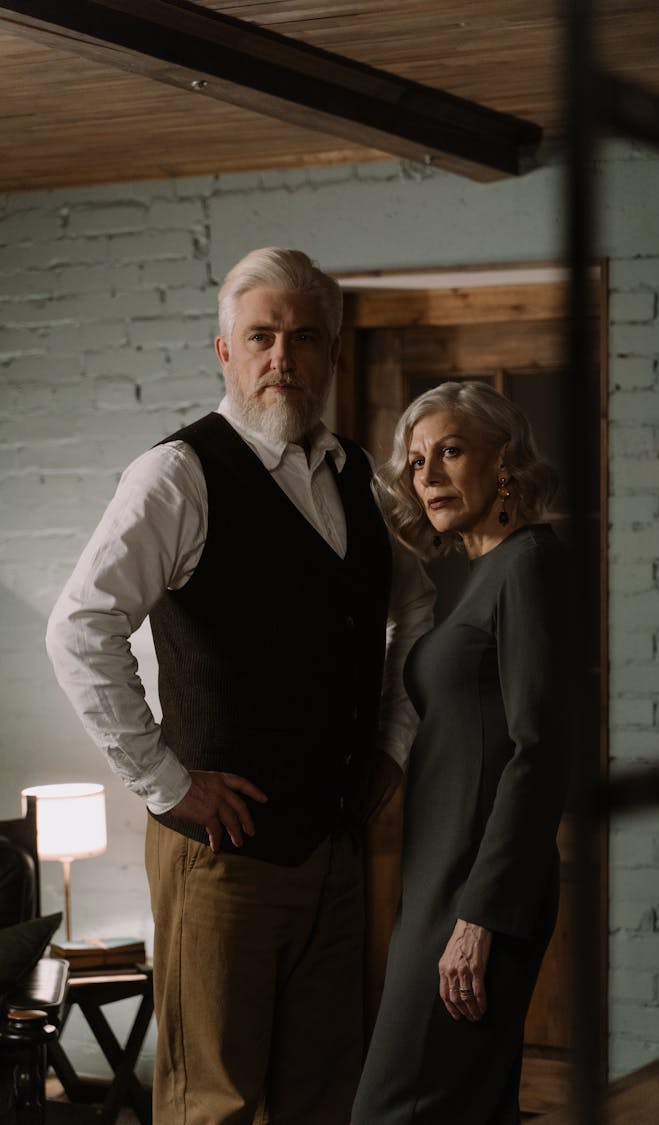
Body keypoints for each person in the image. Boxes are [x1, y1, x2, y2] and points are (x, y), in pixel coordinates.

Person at [46, 247, 434, 1125]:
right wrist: (166, 783)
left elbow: (418, 613)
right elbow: (78, 628)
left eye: (303, 337)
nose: (281, 358)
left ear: (332, 352)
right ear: (225, 351)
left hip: (331, 850)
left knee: (323, 1095)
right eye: (260, 336)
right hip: (219, 859)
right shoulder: (178, 475)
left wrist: (392, 740)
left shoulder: (359, 478)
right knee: (213, 1104)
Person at [352, 380, 571, 1125]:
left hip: (476, 895)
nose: (430, 476)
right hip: (442, 885)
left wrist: (479, 917)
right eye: (417, 462)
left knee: (398, 1110)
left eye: (450, 450)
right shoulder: (485, 574)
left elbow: (538, 752)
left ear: (504, 461)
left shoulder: (528, 565)